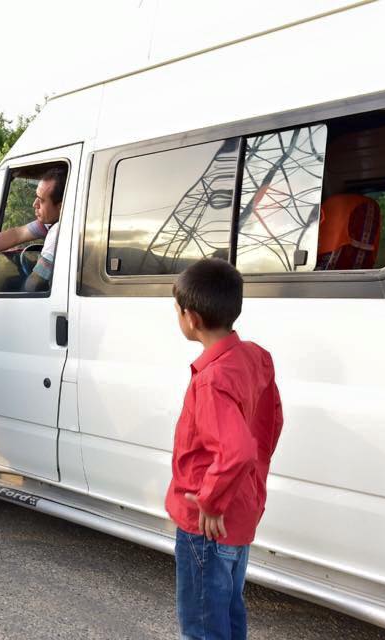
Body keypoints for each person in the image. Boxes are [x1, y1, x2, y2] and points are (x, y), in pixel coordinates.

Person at [165, 258, 284, 640]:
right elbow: (270, 423)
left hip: (206, 524)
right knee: (229, 612)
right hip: (240, 509)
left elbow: (238, 451)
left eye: (177, 311)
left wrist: (212, 501)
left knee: (202, 627)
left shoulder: (212, 381)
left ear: (192, 318)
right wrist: (249, 482)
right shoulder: (254, 356)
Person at [0, 167, 66, 291]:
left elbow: (35, 283)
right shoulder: (53, 222)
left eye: (41, 201)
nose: (34, 204)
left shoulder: (58, 231)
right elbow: (16, 235)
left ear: (60, 207)